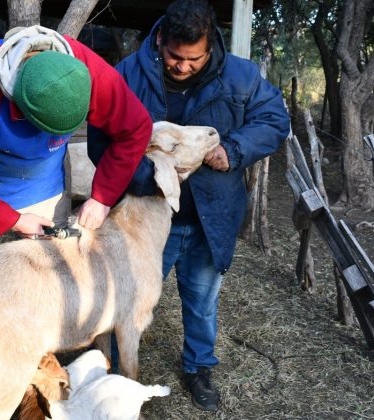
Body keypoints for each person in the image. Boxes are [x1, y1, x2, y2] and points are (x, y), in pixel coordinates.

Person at [0, 25, 153, 418]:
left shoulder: (84, 71)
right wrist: (8, 218)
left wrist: (101, 196)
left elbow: (135, 128)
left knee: (39, 303)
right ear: (17, 99)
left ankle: (28, 398)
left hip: (43, 195)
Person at [88, 0, 290, 412]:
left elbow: (273, 120)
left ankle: (198, 367)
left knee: (201, 298)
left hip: (209, 214)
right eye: (174, 57)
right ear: (160, 39)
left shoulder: (241, 75)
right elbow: (100, 143)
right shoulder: (127, 75)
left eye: (192, 59)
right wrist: (152, 180)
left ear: (209, 46)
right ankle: (103, 367)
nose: (181, 66)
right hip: (143, 217)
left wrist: (233, 149)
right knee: (122, 295)